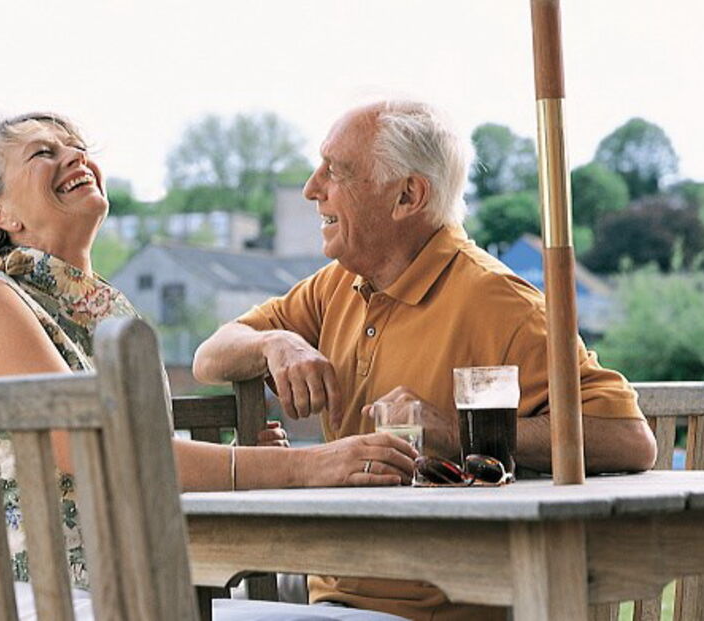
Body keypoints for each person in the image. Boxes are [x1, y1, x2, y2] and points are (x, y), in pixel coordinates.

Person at [192, 99, 658, 621]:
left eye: (336, 172)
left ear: (407, 196)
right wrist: (274, 343)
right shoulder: (337, 287)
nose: (311, 187)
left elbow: (630, 439)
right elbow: (210, 358)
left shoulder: (502, 304)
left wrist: (458, 429)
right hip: (330, 601)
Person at [0, 112, 413, 620]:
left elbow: (141, 462)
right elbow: (106, 455)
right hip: (38, 600)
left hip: (139, 593)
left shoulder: (102, 313)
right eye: (43, 153)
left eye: (75, 146)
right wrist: (310, 465)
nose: (75, 156)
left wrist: (241, 461)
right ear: (1, 213)